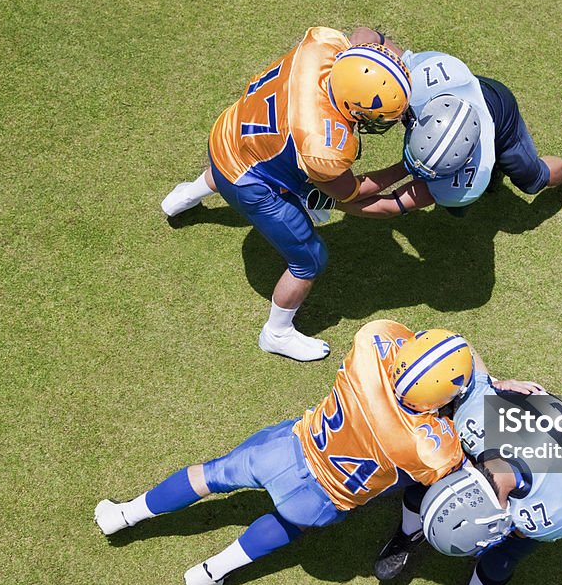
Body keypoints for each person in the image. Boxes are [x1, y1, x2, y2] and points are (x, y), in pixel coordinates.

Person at [94, 320, 475, 585]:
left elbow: (406, 341)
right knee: (287, 523)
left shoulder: (373, 341)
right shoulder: (429, 445)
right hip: (326, 496)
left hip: (289, 448)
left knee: (210, 475)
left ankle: (124, 515)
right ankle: (209, 573)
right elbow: (450, 458)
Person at [160, 27, 412, 362]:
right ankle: (276, 333)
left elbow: (369, 34)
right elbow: (349, 192)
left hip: (230, 132)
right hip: (249, 182)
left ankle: (188, 194)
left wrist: (401, 69)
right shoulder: (325, 143)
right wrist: (405, 167)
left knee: (252, 153)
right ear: (354, 104)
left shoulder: (325, 49)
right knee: (309, 258)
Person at [374, 371, 562, 585]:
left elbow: (530, 530)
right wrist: (490, 383)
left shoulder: (549, 513)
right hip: (520, 425)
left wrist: (510, 533)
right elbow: (460, 354)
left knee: (501, 559)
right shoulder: (473, 419)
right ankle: (409, 534)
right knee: (424, 484)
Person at [334, 49, 562, 221]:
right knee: (455, 208)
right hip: (467, 95)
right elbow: (371, 40)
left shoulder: (468, 182)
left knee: (532, 179)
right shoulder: (418, 85)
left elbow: (392, 204)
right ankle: (496, 171)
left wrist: (331, 202)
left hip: (499, 113)